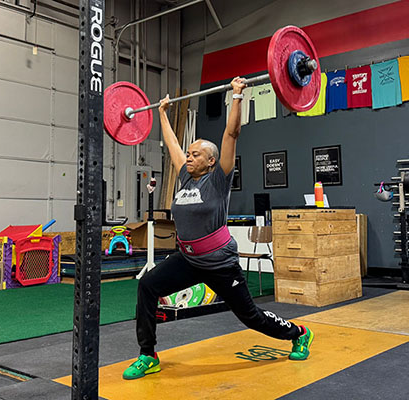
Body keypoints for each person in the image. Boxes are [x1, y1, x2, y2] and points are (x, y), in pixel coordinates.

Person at [122, 77, 313, 380]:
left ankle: (298, 333)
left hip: (219, 263)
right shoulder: (185, 177)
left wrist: (237, 96)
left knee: (251, 317)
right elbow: (172, 144)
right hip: (187, 260)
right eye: (190, 153)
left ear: (211, 161)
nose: (189, 156)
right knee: (147, 286)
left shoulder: (218, 179)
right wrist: (161, 114)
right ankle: (148, 354)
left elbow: (232, 133)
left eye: (195, 154)